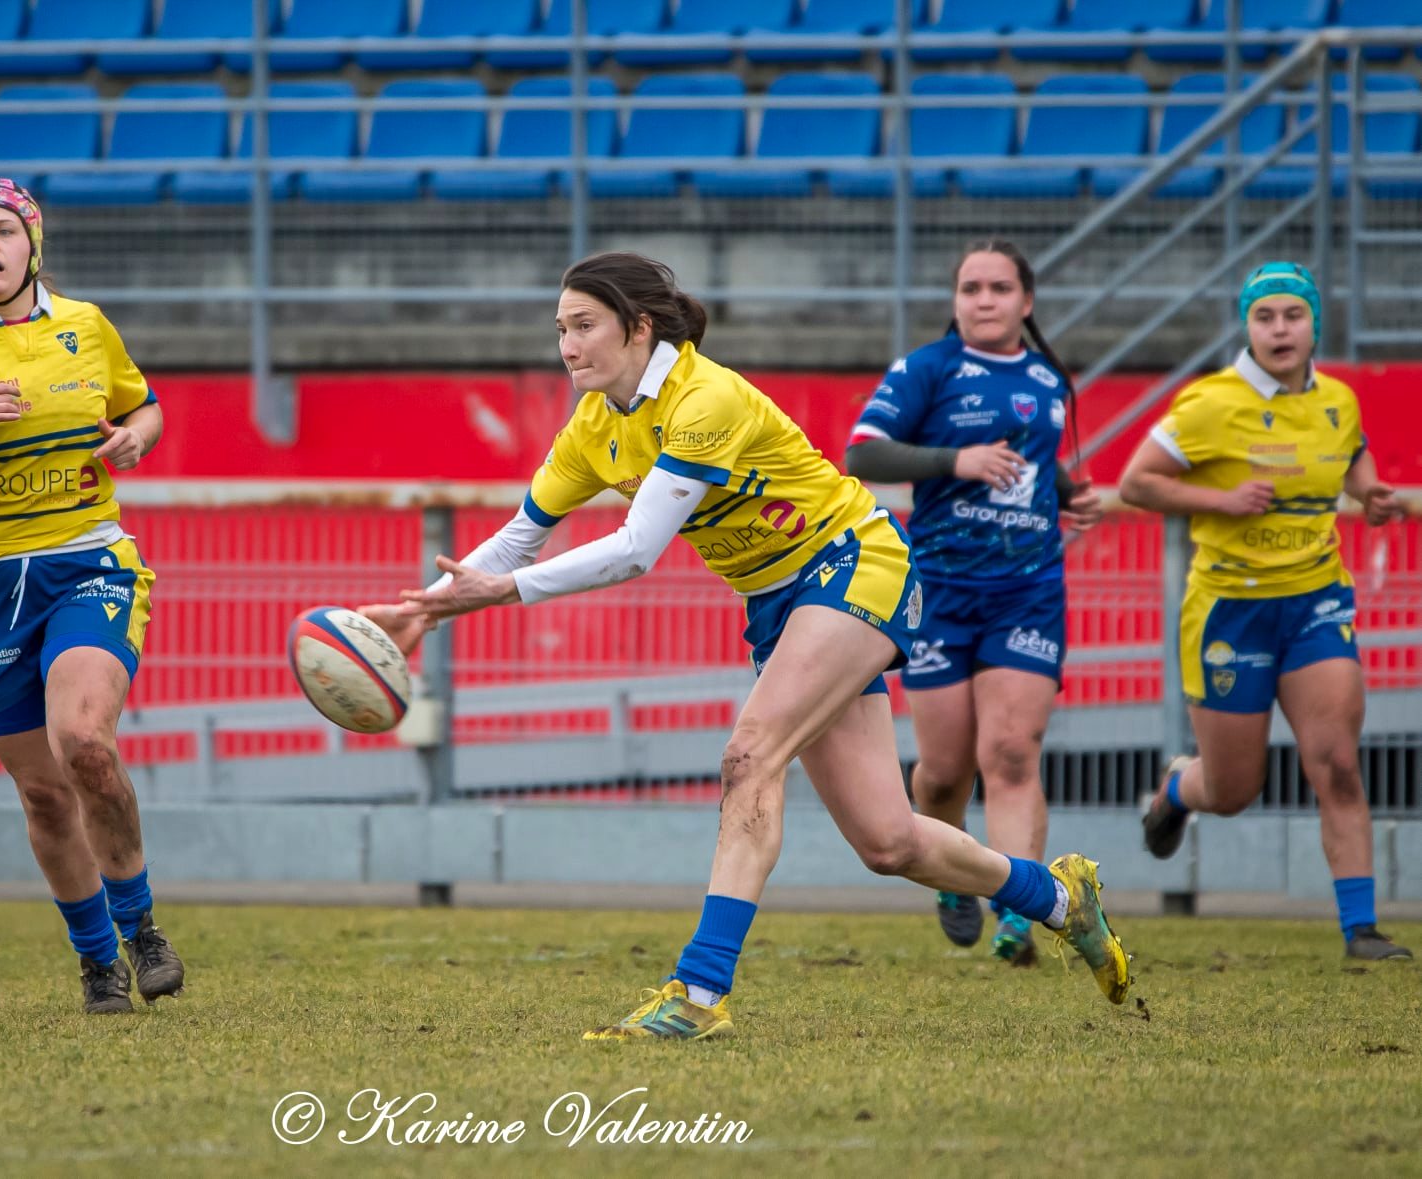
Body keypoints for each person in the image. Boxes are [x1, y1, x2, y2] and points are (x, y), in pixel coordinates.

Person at [363, 252, 1132, 1041]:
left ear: (640, 327)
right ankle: (1060, 898)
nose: (568, 344)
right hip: (779, 602)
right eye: (560, 327)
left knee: (749, 756)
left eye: (584, 325)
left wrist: (501, 592)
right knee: (888, 841)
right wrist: (426, 606)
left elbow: (636, 548)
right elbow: (519, 537)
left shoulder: (705, 398)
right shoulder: (593, 427)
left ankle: (699, 992)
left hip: (853, 562)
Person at [0, 179, 182, 1014]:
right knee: (45, 792)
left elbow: (146, 408)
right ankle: (97, 961)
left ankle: (141, 926)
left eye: (3, 230)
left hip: (88, 560)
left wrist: (134, 439)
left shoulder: (84, 324)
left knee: (83, 741)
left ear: (32, 245)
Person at [1119, 261, 1410, 962]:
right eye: (1265, 317)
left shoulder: (1337, 399)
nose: (1280, 329)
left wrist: (1369, 493)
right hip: (1231, 611)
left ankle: (1361, 929)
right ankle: (1176, 790)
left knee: (1337, 761)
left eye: (1293, 315)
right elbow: (1135, 483)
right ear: (1247, 326)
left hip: (1315, 601)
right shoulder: (1210, 403)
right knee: (1233, 789)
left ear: (1315, 324)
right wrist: (1219, 501)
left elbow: (1351, 454)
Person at [845, 238, 1101, 966]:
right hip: (940, 592)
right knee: (945, 772)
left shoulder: (1048, 378)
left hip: (1027, 590)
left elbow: (1029, 456)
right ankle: (951, 870)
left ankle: (1020, 912)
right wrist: (955, 461)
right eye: (970, 288)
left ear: (1027, 300)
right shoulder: (927, 368)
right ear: (956, 301)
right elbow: (862, 453)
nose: (984, 300)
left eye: (998, 287)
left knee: (1011, 752)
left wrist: (1065, 491)